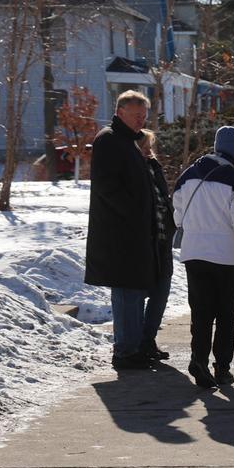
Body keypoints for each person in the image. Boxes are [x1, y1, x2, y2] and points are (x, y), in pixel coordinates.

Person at [173, 126, 234, 388]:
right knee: (225, 314)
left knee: (201, 312)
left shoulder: (187, 176)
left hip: (193, 254)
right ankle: (222, 368)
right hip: (226, 257)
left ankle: (199, 359)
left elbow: (178, 216)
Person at [84, 90, 164, 370]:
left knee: (133, 292)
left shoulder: (128, 141)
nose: (142, 119)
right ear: (120, 113)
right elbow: (107, 186)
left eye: (144, 115)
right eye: (136, 115)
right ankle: (125, 350)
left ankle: (133, 347)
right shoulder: (109, 140)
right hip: (120, 234)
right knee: (126, 293)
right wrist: (133, 214)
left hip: (134, 232)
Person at [136, 129, 175, 360]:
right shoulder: (135, 171)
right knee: (139, 296)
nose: (149, 151)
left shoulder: (154, 168)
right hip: (144, 243)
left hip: (162, 241)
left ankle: (148, 339)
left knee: (161, 293)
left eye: (150, 147)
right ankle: (137, 341)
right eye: (144, 147)